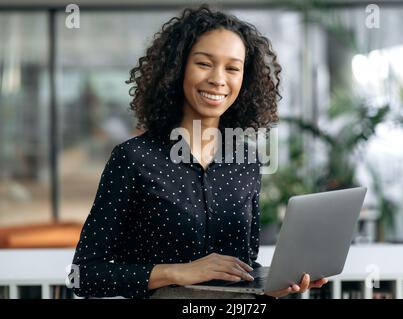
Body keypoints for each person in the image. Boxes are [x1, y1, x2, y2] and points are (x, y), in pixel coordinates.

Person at [70, 4, 327, 299]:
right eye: (204, 63)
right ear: (177, 68)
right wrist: (178, 271)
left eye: (232, 68)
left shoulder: (247, 161)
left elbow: (244, 265)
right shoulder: (134, 158)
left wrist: (272, 285)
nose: (218, 79)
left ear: (245, 80)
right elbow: (84, 275)